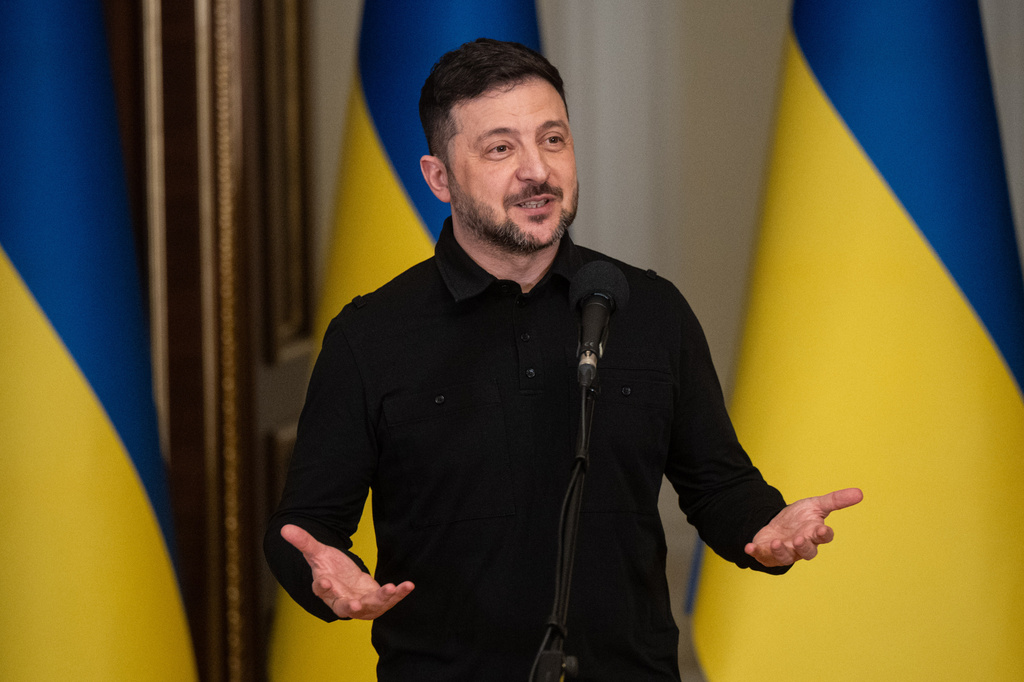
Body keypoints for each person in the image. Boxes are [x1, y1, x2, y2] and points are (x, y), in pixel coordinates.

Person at [264, 38, 862, 681]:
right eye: (500, 148)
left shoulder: (651, 310)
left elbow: (719, 487)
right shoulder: (373, 333)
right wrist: (326, 576)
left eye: (553, 139)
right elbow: (307, 528)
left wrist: (770, 530)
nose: (537, 171)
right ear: (439, 177)